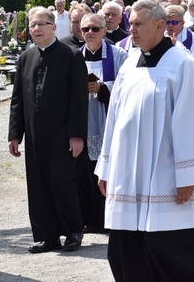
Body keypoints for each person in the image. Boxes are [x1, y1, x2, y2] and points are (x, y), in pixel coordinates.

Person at [95, 0, 194, 281]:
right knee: (125, 249)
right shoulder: (128, 66)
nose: (132, 31)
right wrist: (106, 168)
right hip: (128, 176)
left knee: (172, 251)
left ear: (160, 26)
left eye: (138, 24)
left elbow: (192, 122)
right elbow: (113, 120)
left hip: (165, 176)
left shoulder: (181, 64)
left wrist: (189, 176)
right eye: (130, 24)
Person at [8, 7, 89, 253]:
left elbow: (79, 99)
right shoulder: (25, 58)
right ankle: (47, 235)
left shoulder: (71, 55)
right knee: (39, 183)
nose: (36, 29)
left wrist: (77, 135)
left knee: (61, 181)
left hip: (62, 134)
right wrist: (14, 134)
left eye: (41, 24)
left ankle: (74, 230)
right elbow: (18, 99)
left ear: (54, 27)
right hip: (34, 135)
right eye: (32, 25)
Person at [77, 12, 127, 232]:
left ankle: (110, 218)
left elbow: (128, 87)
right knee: (86, 171)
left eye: (95, 29)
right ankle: (90, 218)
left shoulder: (119, 55)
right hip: (84, 119)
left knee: (108, 168)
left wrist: (103, 87)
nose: (90, 33)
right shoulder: (74, 56)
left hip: (108, 118)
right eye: (86, 29)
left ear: (105, 31)